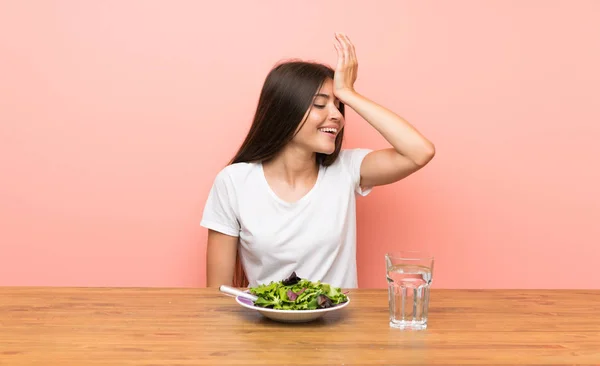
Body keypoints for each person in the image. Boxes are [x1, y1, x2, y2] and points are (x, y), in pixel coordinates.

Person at [201, 33, 435, 289]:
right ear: (286, 111)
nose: (336, 116)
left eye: (338, 105)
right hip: (266, 327)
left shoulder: (347, 170)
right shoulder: (234, 182)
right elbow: (218, 294)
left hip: (340, 326)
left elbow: (419, 152)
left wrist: (349, 93)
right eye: (320, 105)